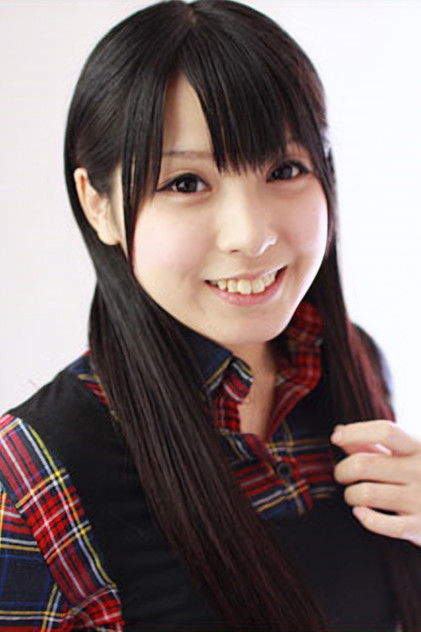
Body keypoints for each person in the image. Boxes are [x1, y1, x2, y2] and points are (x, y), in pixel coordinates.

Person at [0, 1, 420, 630]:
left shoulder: (352, 361)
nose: (251, 235)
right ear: (99, 205)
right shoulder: (32, 476)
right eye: (186, 183)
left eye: (284, 169)